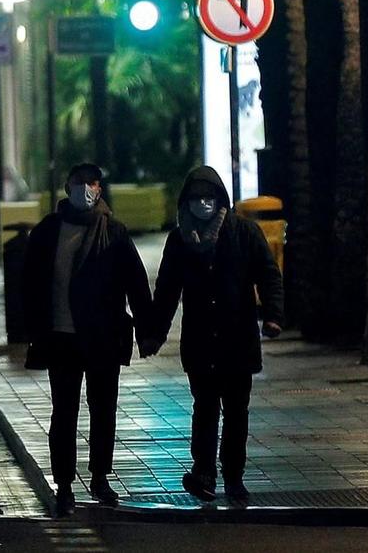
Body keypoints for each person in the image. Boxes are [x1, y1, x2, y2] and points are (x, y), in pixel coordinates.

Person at [18, 162, 153, 515]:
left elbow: (136, 283)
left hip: (103, 337)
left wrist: (149, 330)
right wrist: (30, 330)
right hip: (61, 336)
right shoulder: (49, 231)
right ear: (68, 187)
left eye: (92, 183)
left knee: (103, 409)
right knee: (64, 411)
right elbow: (30, 284)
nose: (86, 189)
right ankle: (64, 484)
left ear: (100, 189)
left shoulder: (114, 232)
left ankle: (100, 476)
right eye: (80, 183)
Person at [144, 165, 283, 505]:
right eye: (196, 198)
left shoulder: (244, 233)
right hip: (201, 341)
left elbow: (268, 274)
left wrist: (274, 316)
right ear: (186, 202)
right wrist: (154, 334)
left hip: (238, 339)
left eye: (208, 198)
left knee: (237, 411)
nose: (203, 204)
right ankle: (204, 472)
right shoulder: (180, 240)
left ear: (220, 200)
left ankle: (234, 476)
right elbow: (166, 291)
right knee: (205, 408)